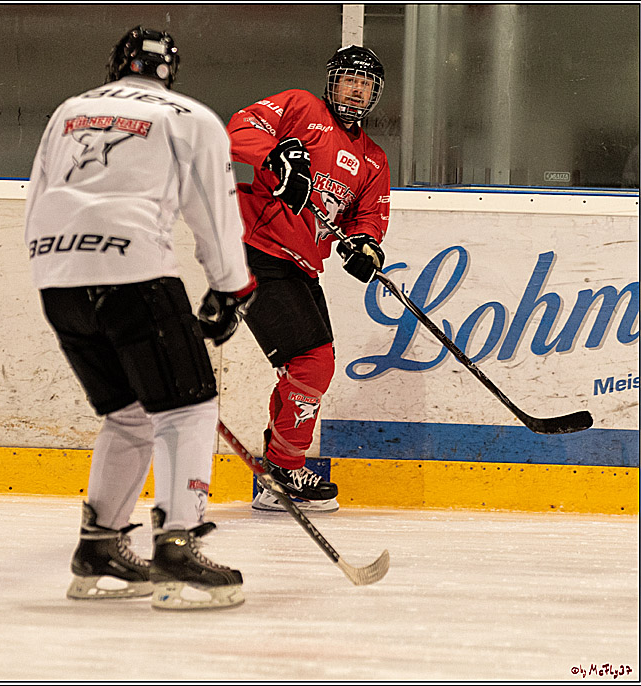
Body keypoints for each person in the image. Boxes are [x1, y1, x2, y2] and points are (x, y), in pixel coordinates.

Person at [25, 27, 256, 610]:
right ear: (168, 72)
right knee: (189, 408)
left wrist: (54, 270)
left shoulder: (70, 111)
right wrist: (231, 289)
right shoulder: (190, 116)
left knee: (129, 416)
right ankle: (177, 549)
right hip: (134, 274)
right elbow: (213, 208)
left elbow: (38, 194)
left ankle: (100, 546)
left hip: (57, 278)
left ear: (115, 66)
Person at [226, 45, 391, 513]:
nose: (357, 89)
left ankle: (278, 469)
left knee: (312, 365)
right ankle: (282, 468)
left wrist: (365, 246)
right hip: (257, 251)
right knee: (311, 361)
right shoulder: (301, 107)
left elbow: (369, 216)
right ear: (332, 81)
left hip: (301, 265)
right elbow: (240, 129)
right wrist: (277, 157)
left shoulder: (373, 158)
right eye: (349, 79)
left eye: (366, 83)